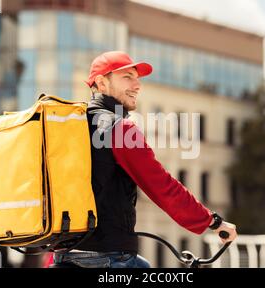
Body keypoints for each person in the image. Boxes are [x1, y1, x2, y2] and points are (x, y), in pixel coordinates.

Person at [53, 51, 237, 268]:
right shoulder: (119, 128)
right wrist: (212, 221)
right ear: (101, 83)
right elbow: (161, 185)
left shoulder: (68, 127)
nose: (137, 85)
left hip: (64, 254)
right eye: (127, 77)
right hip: (108, 256)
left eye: (137, 78)